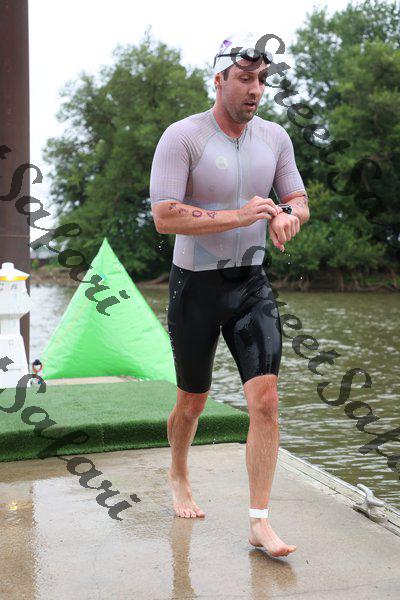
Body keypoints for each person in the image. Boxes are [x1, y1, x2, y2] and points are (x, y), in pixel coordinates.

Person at [149, 32, 310, 558]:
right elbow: (164, 214)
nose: (255, 89)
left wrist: (286, 216)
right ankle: (178, 471)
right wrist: (239, 216)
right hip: (195, 286)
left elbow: (298, 199)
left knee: (266, 401)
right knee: (192, 402)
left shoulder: (275, 138)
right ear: (218, 80)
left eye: (261, 80)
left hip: (251, 285)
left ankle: (259, 521)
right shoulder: (183, 137)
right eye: (244, 79)